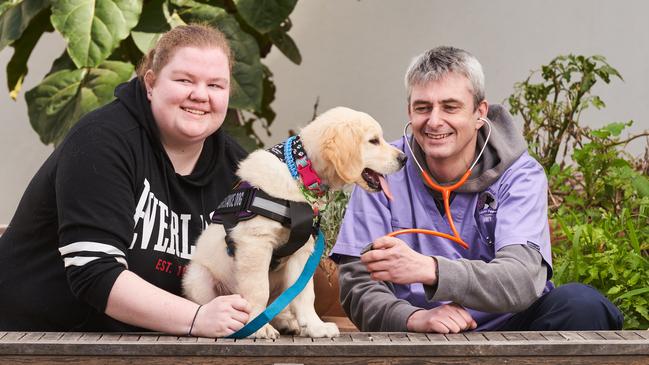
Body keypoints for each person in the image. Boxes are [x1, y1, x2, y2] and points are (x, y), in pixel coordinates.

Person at [330, 46, 623, 333]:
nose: (434, 121)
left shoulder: (519, 175)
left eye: (450, 106)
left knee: (583, 305)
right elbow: (359, 284)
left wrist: (432, 270)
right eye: (423, 107)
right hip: (418, 335)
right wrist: (413, 318)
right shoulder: (381, 168)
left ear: (479, 112)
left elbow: (522, 280)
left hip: (511, 332)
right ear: (409, 111)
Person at [0, 24, 252, 337]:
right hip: (30, 341)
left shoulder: (237, 168)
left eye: (215, 85)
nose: (200, 95)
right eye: (184, 80)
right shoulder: (101, 141)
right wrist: (197, 318)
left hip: (144, 345)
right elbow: (94, 272)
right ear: (151, 83)